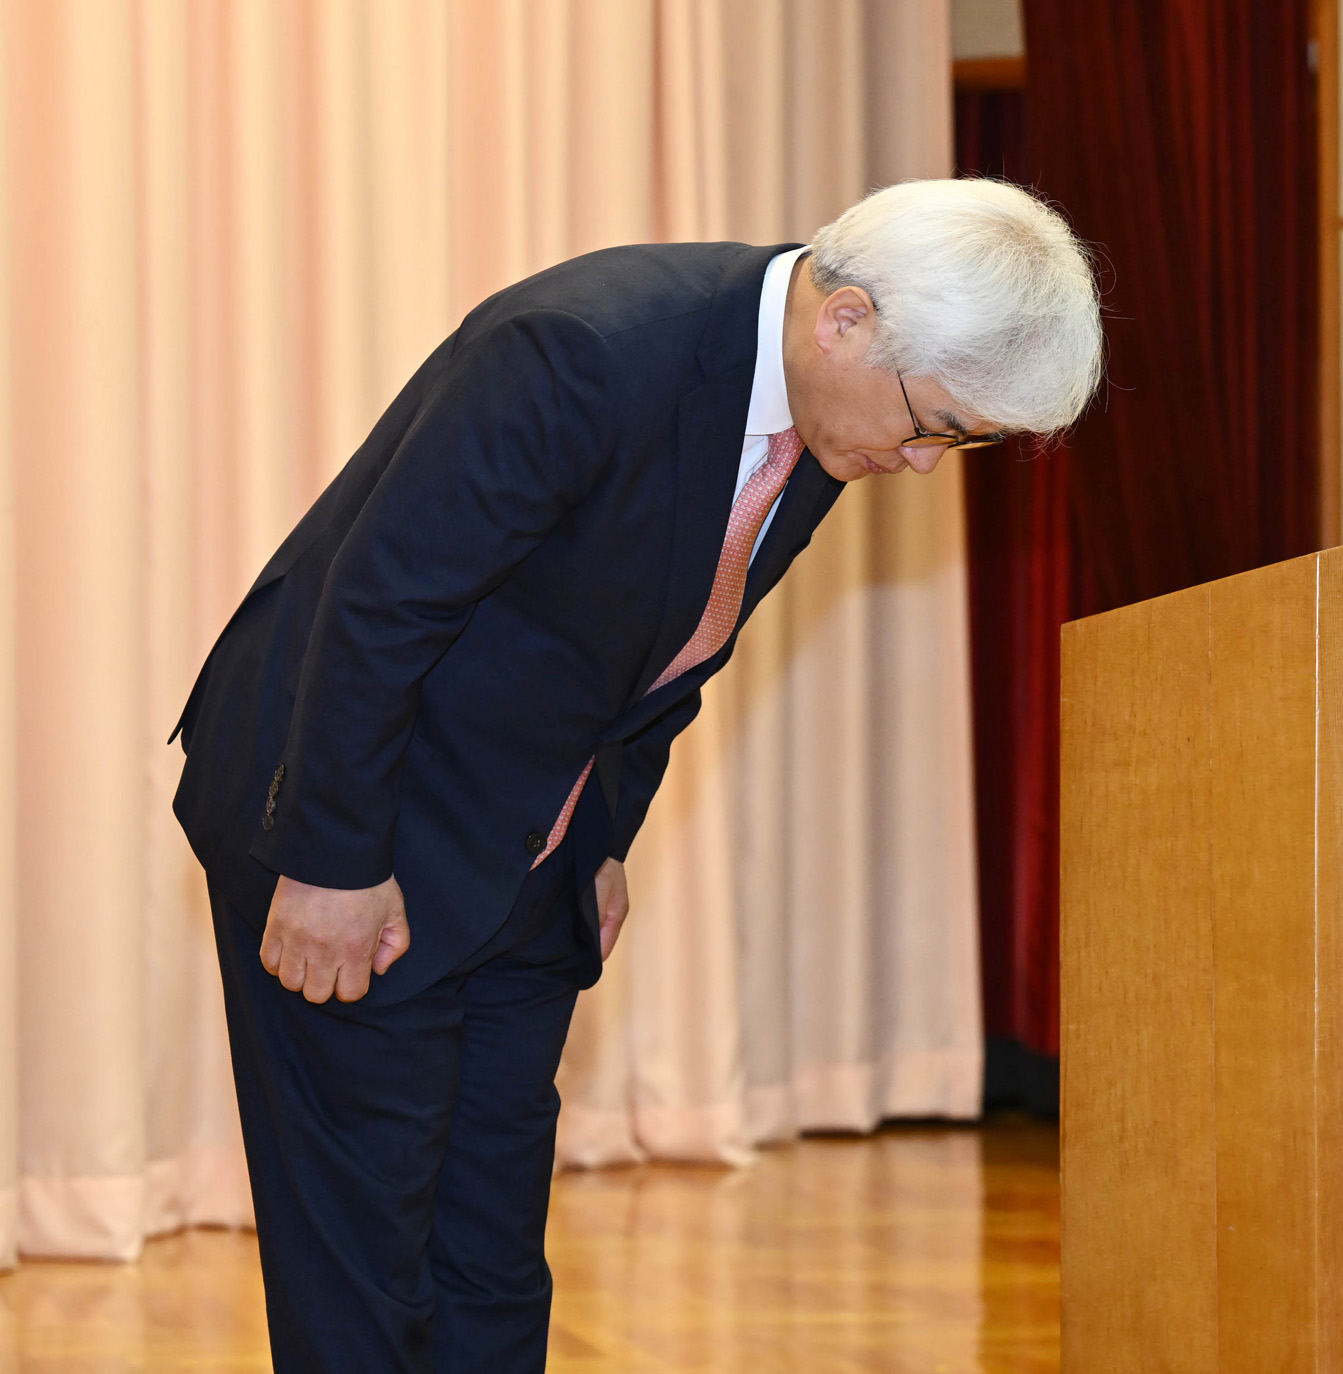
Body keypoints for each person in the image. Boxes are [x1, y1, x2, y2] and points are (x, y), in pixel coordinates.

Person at [170, 177, 1103, 1374]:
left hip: (526, 844)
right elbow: (377, 610)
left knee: (490, 1243)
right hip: (348, 807)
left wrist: (603, 835)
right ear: (846, 320)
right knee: (365, 1254)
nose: (925, 465)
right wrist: (332, 862)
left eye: (958, 443)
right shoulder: (586, 351)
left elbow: (671, 643)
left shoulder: (826, 420)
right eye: (935, 425)